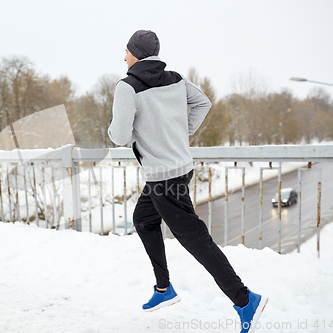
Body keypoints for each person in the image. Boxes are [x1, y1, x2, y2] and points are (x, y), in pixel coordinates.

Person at [108, 30, 268, 333]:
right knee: (143, 220)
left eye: (126, 51)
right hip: (180, 169)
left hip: (161, 178)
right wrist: (183, 132)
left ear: (136, 54)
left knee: (196, 239)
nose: (124, 56)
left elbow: (118, 135)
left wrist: (134, 133)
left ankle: (245, 300)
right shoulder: (177, 79)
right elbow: (203, 103)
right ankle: (163, 289)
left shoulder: (127, 86)